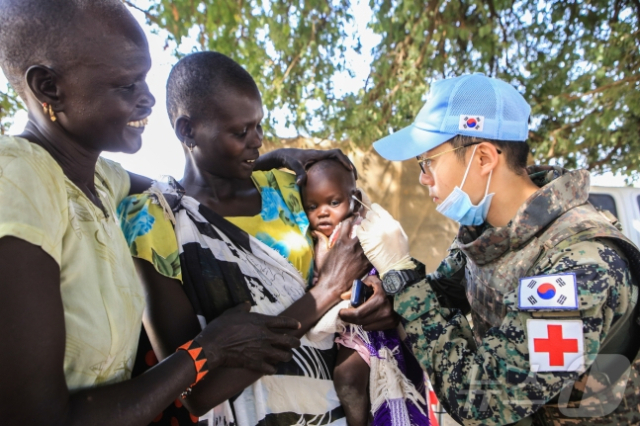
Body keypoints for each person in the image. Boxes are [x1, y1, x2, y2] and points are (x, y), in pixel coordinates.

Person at [0, 1, 306, 425]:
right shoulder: (17, 183)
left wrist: (276, 161)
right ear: (49, 87)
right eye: (126, 86)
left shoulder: (102, 180)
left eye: (144, 78)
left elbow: (189, 191)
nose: (147, 99)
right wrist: (206, 351)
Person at [120, 51, 396, 426]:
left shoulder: (288, 191)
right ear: (187, 131)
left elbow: (357, 255)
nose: (257, 142)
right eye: (240, 132)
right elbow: (194, 391)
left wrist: (377, 294)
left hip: (331, 411)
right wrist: (327, 289)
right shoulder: (154, 223)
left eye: (259, 127)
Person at [355, 73, 640, 425]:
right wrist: (387, 282)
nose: (423, 177)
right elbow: (441, 295)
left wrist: (402, 273)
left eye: (428, 161)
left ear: (484, 158)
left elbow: (483, 399)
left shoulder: (578, 268)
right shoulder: (491, 233)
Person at [301, 159, 430, 426]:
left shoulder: (362, 230)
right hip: (341, 322)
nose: (323, 212)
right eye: (312, 206)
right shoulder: (311, 237)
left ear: (355, 199)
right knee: (346, 378)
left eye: (333, 202)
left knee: (348, 376)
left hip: (368, 321)